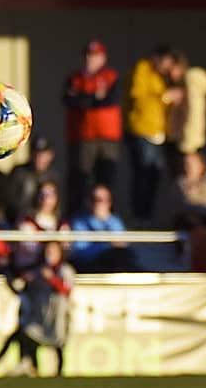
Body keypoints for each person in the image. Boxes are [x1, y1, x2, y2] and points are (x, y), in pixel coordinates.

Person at [0, 241, 74, 377]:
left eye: (53, 252)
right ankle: (27, 367)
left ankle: (58, 372)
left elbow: (66, 290)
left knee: (58, 343)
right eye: (48, 251)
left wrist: (51, 279)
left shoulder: (64, 270)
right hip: (40, 317)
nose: (49, 255)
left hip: (57, 316)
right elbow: (23, 287)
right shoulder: (40, 270)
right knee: (25, 336)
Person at [63, 39, 121, 215]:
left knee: (106, 180)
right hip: (84, 136)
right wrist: (93, 98)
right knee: (81, 178)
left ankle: (106, 215)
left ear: (103, 58)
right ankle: (78, 215)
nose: (91, 59)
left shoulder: (111, 77)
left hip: (107, 136)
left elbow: (109, 100)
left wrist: (85, 99)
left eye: (95, 55)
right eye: (88, 55)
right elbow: (69, 101)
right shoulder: (75, 78)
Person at [126, 43, 178, 226]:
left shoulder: (160, 77)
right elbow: (138, 97)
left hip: (158, 133)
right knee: (144, 175)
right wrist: (164, 97)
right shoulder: (143, 69)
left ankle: (147, 215)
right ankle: (140, 217)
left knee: (154, 176)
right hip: (142, 131)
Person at [69, 184, 137, 272]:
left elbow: (123, 245)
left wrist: (105, 221)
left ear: (109, 203)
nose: (99, 203)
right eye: (95, 199)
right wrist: (106, 247)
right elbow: (81, 251)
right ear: (88, 201)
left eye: (103, 200)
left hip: (115, 263)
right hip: (91, 264)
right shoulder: (79, 222)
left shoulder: (115, 221)